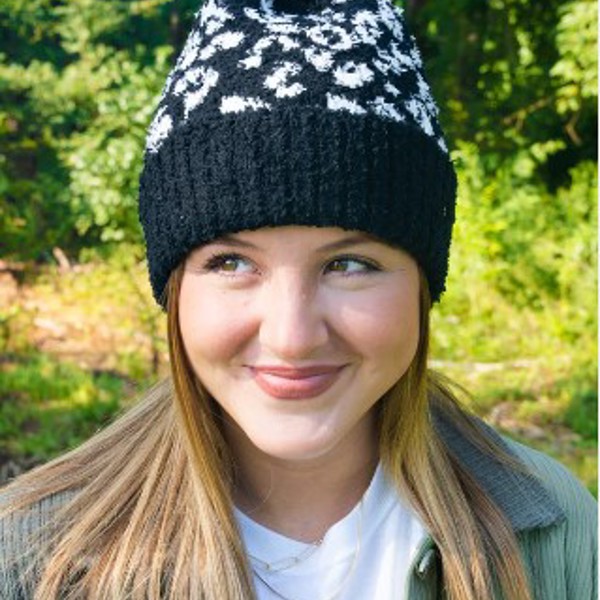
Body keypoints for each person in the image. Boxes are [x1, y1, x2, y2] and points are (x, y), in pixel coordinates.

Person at [0, 0, 596, 598]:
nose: (291, 335)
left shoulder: (551, 531)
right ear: (175, 290)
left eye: (350, 264)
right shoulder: (35, 556)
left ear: (423, 283)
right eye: (231, 263)